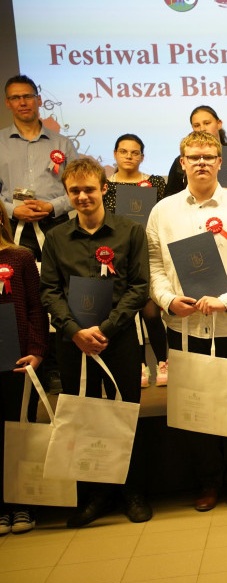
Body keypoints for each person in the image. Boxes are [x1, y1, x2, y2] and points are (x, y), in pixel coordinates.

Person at [148, 130, 227, 512]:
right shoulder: (162, 211)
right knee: (196, 408)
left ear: (221, 162)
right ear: (182, 163)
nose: (201, 162)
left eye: (208, 156)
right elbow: (153, 265)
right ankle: (207, 482)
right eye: (193, 156)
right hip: (184, 327)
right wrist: (168, 300)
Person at [39, 158, 151, 527]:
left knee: (124, 414)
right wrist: (75, 331)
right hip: (74, 344)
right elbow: (49, 292)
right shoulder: (56, 239)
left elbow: (139, 287)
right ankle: (94, 495)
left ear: (105, 189)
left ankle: (132, 490)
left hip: (117, 340)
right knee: (84, 418)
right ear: (68, 194)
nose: (83, 197)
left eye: (89, 189)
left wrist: (106, 327)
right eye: (75, 191)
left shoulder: (130, 232)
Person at [102, 134, 170, 388]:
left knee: (151, 313)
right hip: (117, 258)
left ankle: (163, 362)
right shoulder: (106, 185)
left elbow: (163, 216)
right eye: (124, 151)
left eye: (135, 152)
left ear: (142, 156)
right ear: (115, 154)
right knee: (128, 315)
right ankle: (138, 364)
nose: (129, 156)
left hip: (149, 253)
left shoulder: (154, 183)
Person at [0, 203, 47, 534]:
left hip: (19, 360)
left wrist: (37, 350)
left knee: (21, 430)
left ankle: (22, 505)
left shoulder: (20, 257)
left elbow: (36, 308)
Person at [1, 75, 79, 260]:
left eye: (28, 96)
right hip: (9, 228)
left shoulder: (63, 143)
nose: (22, 102)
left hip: (56, 225)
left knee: (60, 284)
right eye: (15, 98)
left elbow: (78, 190)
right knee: (17, 286)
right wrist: (12, 210)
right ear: (7, 103)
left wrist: (51, 206)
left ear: (39, 100)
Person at [164, 105, 227, 207]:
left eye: (207, 123)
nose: (202, 128)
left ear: (219, 123)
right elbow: (169, 197)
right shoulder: (183, 160)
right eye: (196, 125)